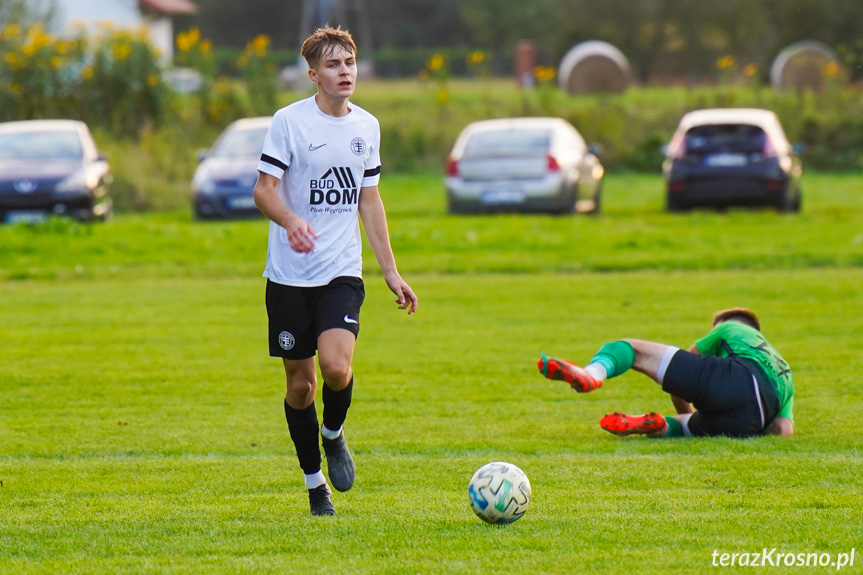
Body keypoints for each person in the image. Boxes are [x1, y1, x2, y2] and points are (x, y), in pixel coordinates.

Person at [253, 26, 418, 516]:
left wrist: (390, 270)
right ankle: (314, 485)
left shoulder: (367, 127)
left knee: (336, 367)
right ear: (313, 75)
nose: (344, 71)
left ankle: (333, 432)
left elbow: (369, 200)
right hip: (288, 274)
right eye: (333, 65)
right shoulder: (289, 122)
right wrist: (291, 221)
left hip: (342, 270)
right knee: (301, 386)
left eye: (349, 62)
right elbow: (264, 189)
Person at [538, 308, 794, 438]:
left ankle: (592, 374)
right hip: (749, 423)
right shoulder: (785, 370)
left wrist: (694, 402)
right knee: (687, 426)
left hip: (735, 378)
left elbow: (682, 372)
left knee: (631, 349)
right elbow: (783, 429)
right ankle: (663, 425)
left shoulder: (730, 328)